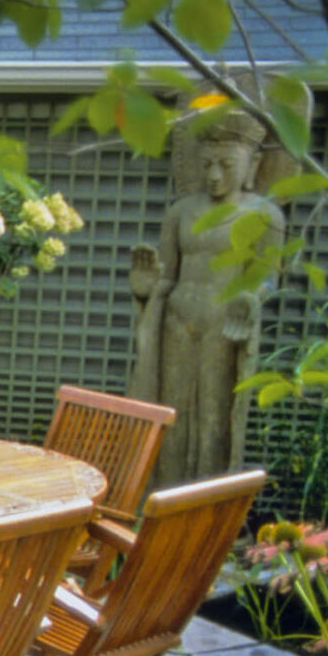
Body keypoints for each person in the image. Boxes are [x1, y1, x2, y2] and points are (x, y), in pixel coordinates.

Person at [127, 113, 284, 483]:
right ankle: (163, 497)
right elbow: (167, 273)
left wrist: (252, 297)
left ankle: (202, 507)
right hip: (177, 321)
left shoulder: (265, 216)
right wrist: (145, 291)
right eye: (208, 164)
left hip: (224, 323)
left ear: (253, 164)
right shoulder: (180, 211)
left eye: (227, 165)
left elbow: (269, 277)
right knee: (171, 413)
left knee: (215, 414)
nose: (214, 175)